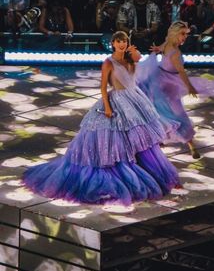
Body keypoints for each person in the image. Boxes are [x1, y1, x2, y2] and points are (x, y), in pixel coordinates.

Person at [22, 31, 180, 205]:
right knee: (113, 136)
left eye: (125, 41)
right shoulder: (108, 63)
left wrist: (134, 53)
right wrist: (106, 106)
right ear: (113, 43)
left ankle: (144, 167)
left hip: (135, 99)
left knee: (140, 138)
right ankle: (117, 170)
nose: (122, 44)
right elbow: (103, 88)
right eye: (119, 41)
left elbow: (138, 61)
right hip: (117, 100)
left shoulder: (129, 59)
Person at [137, 21, 214, 159]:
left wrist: (158, 49)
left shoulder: (170, 44)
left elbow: (165, 49)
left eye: (186, 34)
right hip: (163, 82)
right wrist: (190, 86)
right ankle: (179, 143)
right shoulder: (174, 51)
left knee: (167, 111)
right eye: (182, 34)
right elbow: (181, 72)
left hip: (162, 80)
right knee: (170, 112)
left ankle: (187, 144)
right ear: (175, 34)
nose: (185, 37)